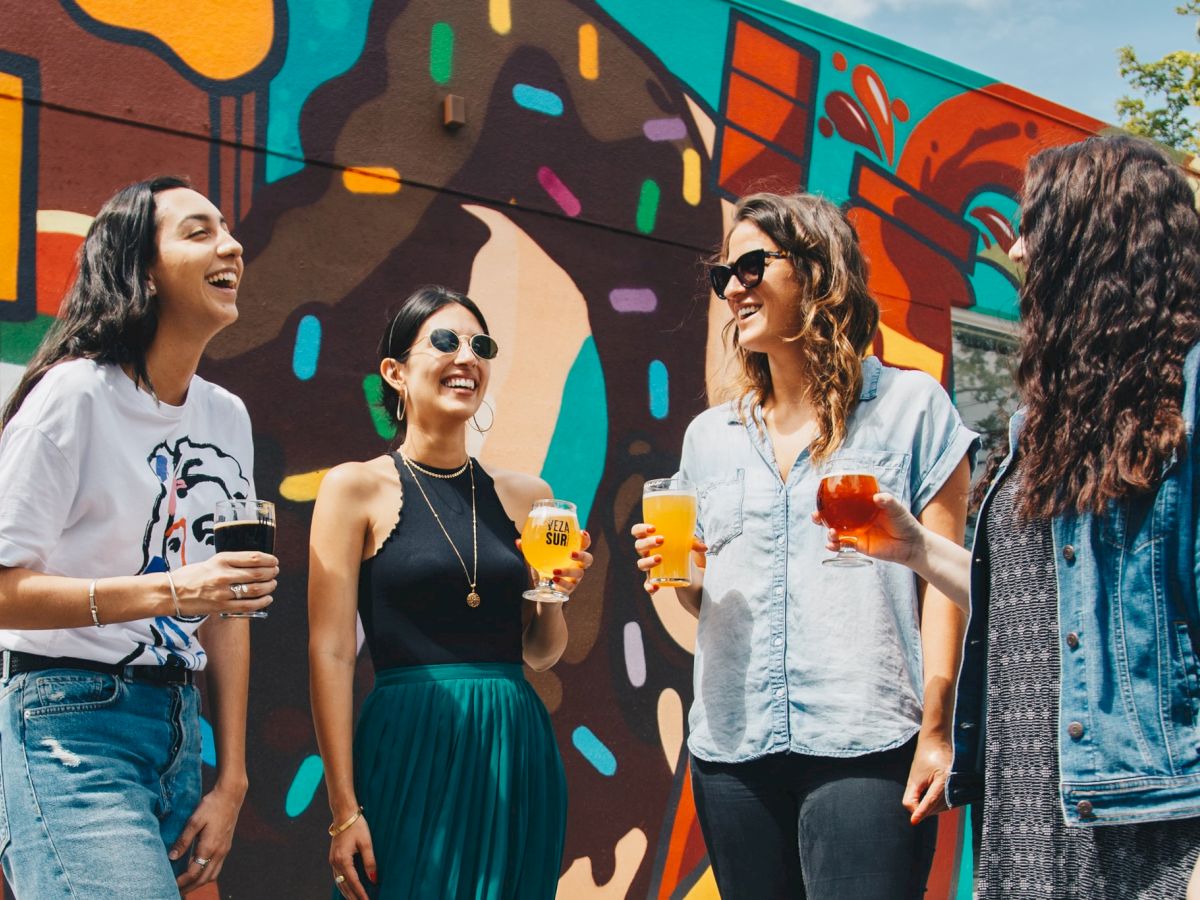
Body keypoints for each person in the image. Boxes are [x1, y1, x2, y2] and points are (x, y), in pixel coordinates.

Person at [824, 135, 1200, 898]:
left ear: (1095, 243)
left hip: (1143, 827)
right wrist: (919, 550)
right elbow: (1035, 606)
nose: (1021, 250)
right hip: (1028, 805)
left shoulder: (1188, 401)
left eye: (1036, 228)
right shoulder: (1042, 422)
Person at [632, 192, 979, 898]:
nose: (734, 286)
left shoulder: (913, 410)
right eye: (723, 273)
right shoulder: (709, 438)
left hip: (869, 744)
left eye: (754, 264)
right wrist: (684, 578)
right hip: (733, 752)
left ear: (819, 271)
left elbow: (947, 589)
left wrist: (938, 732)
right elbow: (715, 602)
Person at [0, 176, 276, 898]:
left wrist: (234, 779)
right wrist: (174, 589)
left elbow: (228, 610)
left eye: (227, 228)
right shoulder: (74, 396)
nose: (231, 244)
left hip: (179, 730)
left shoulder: (228, 417)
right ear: (141, 269)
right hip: (69, 725)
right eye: (198, 231)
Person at [308, 285, 590, 900]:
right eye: (444, 341)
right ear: (396, 372)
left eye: (480, 345)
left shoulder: (532, 496)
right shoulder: (353, 488)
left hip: (514, 744)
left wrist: (554, 592)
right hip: (409, 742)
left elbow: (541, 653)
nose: (467, 356)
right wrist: (344, 808)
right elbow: (330, 653)